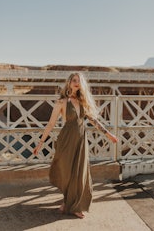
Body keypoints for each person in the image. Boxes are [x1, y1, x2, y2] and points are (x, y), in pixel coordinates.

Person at [33, 72, 118, 219]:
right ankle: (68, 202)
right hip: (66, 140)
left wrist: (109, 135)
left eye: (79, 81)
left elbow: (94, 122)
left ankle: (74, 206)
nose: (76, 83)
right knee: (67, 172)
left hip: (80, 141)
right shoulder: (62, 102)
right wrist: (40, 143)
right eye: (74, 80)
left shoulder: (83, 102)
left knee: (79, 173)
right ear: (69, 83)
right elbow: (51, 124)